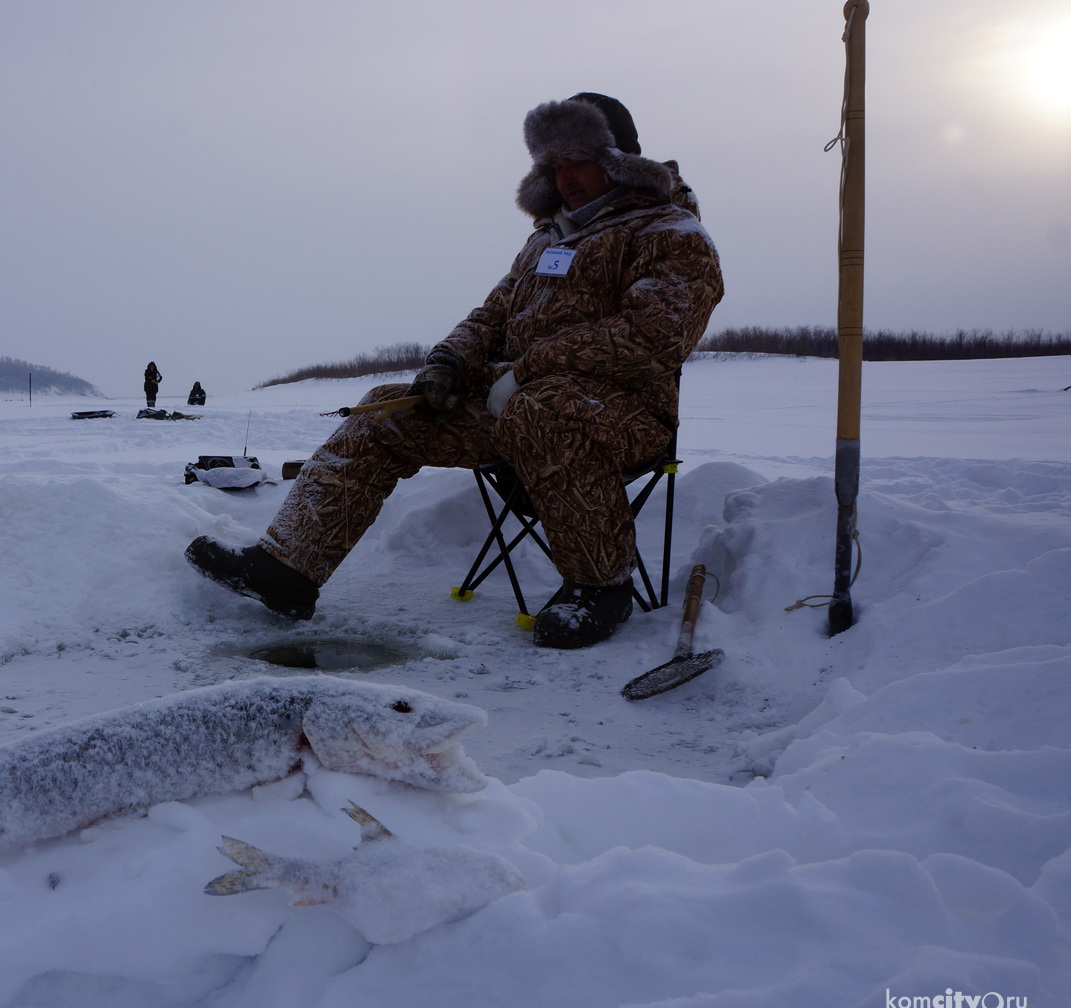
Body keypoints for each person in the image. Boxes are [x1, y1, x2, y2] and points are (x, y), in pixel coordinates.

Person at [185, 93, 723, 649]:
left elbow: (653, 336)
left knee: (541, 411)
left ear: (617, 159)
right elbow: (492, 314)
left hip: (622, 416)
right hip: (513, 407)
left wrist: (531, 369)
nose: (564, 178)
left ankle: (598, 587)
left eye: (576, 161)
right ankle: (287, 569)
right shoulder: (547, 237)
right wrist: (447, 362)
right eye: (552, 166)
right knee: (384, 411)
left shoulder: (670, 231)